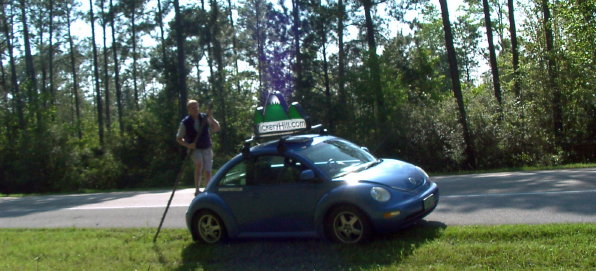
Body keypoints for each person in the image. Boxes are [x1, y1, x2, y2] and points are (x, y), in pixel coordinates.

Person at [176, 100, 220, 196]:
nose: (196, 109)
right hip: (195, 149)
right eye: (193, 108)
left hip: (207, 147)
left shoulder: (205, 117)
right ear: (189, 110)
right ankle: (197, 189)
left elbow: (216, 128)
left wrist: (210, 117)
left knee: (208, 171)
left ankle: (208, 189)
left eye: (197, 107)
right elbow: (179, 138)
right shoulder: (185, 122)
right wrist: (188, 145)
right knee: (199, 165)